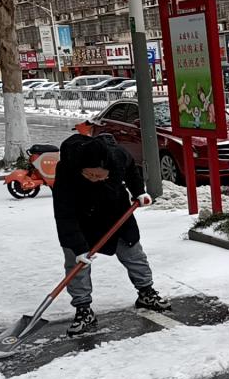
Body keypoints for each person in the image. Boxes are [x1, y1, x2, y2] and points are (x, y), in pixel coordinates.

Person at [52, 135, 171, 336]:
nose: (94, 178)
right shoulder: (66, 169)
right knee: (77, 263)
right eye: (90, 174)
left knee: (133, 253)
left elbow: (131, 169)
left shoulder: (118, 156)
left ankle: (146, 293)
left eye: (100, 175)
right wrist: (78, 247)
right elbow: (64, 214)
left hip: (116, 212)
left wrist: (138, 191)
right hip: (81, 219)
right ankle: (83, 309)